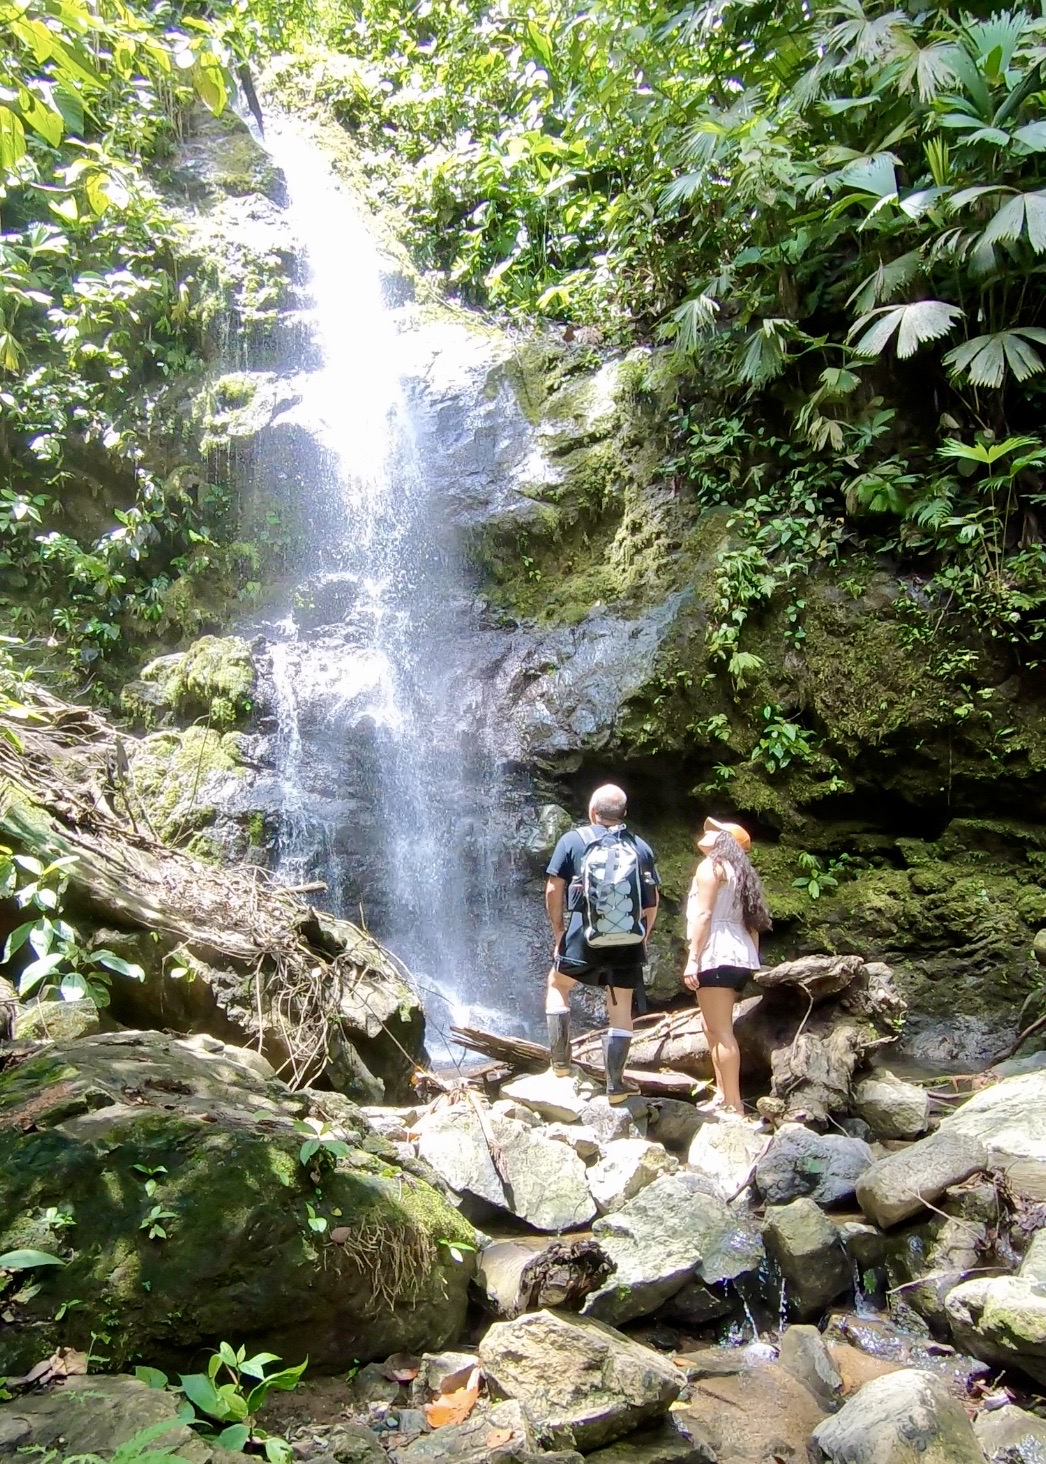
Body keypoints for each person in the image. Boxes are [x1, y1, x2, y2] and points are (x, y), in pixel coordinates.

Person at [544, 784, 660, 1104]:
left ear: (593, 812)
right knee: (621, 1008)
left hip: (583, 936)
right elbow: (651, 902)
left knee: (558, 984)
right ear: (623, 814)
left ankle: (560, 1064)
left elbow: (554, 889)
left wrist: (559, 932)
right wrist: (642, 937)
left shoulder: (572, 840)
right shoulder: (640, 847)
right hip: (627, 940)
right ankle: (615, 1087)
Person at [683, 816, 771, 1118]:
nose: (706, 833)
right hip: (738, 956)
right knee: (712, 1027)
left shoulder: (711, 868)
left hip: (716, 953)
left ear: (725, 843)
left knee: (720, 1031)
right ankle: (722, 1095)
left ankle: (733, 1104)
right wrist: (752, 959)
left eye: (715, 832)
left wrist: (693, 958)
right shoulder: (741, 875)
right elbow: (754, 925)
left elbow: (704, 916)